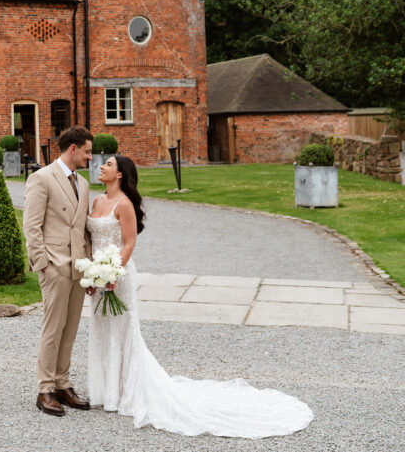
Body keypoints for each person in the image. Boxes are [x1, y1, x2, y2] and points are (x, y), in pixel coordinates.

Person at [85, 155, 314, 437]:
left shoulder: (124, 204)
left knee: (123, 330)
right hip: (98, 278)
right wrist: (92, 275)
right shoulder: (97, 201)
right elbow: (91, 241)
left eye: (108, 164)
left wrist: (113, 273)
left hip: (118, 277)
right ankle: (107, 390)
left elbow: (130, 242)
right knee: (102, 328)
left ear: (120, 174)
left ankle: (126, 390)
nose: (102, 167)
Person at [22, 125, 94, 416]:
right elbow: (31, 226)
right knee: (52, 330)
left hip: (78, 268)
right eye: (87, 151)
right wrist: (43, 264)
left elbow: (83, 229)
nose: (90, 157)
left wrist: (89, 267)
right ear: (73, 149)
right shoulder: (42, 178)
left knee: (70, 329)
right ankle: (45, 389)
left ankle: (63, 384)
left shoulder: (83, 184)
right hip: (54, 265)